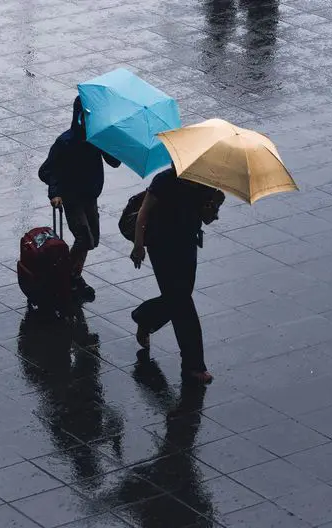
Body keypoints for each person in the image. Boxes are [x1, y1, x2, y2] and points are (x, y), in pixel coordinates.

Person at [130, 166, 225, 385]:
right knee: (182, 303)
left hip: (187, 246)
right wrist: (138, 244)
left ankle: (145, 316)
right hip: (161, 247)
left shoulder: (203, 183)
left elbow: (207, 218)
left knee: (178, 298)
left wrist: (215, 203)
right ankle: (194, 365)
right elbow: (143, 214)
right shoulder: (163, 180)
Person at [39, 96, 121, 302]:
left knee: (91, 240)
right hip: (72, 198)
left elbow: (114, 162)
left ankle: (74, 274)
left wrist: (111, 141)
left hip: (90, 197)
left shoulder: (96, 139)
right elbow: (48, 170)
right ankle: (65, 277)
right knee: (84, 238)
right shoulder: (66, 142)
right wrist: (55, 193)